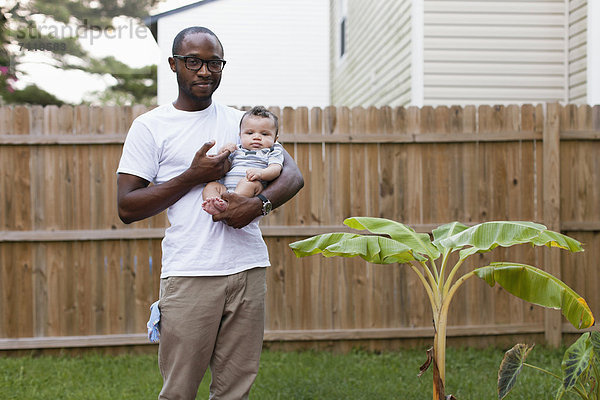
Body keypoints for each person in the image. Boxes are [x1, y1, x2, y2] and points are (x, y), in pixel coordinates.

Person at [116, 26, 304, 400]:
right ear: (174, 65)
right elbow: (127, 206)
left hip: (247, 268)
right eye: (193, 62)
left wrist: (257, 205)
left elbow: (293, 174)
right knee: (179, 390)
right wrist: (193, 176)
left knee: (236, 389)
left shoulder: (241, 122)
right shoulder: (150, 127)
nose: (204, 71)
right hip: (191, 271)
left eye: (213, 62)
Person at [202, 106, 283, 215]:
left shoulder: (272, 150)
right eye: (250, 133)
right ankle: (215, 204)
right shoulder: (237, 149)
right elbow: (223, 168)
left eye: (264, 134)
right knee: (211, 186)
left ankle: (231, 206)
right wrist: (223, 153)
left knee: (247, 183)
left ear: (275, 139)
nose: (256, 137)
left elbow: (275, 168)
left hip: (253, 186)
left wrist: (261, 173)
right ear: (240, 135)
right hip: (227, 189)